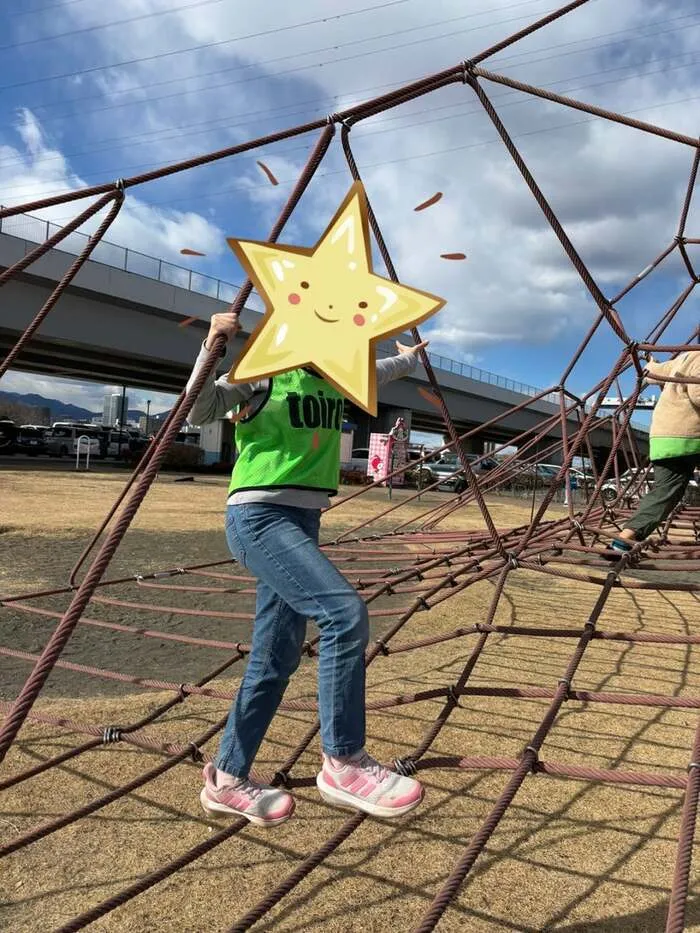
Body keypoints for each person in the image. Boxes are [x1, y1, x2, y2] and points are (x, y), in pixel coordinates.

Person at [187, 311, 427, 827]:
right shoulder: (268, 374)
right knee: (344, 614)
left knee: (275, 657)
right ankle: (343, 761)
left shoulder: (340, 377)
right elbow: (198, 409)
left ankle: (227, 779)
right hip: (258, 517)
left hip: (303, 520)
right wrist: (214, 346)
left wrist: (409, 357)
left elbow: (383, 371)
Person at [606, 350, 700, 556]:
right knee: (668, 491)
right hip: (686, 438)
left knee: (665, 492)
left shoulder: (683, 358)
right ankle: (625, 539)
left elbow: (652, 372)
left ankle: (623, 540)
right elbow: (698, 394)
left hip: (664, 436)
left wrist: (650, 361)